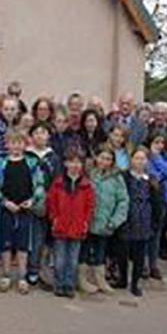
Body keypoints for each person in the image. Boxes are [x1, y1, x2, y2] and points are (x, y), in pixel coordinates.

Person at [0, 130, 47, 294]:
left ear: (25, 144)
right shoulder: (0, 163)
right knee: (6, 244)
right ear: (7, 145)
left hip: (25, 209)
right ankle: (6, 275)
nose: (16, 146)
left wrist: (32, 201)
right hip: (6, 209)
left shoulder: (32, 163)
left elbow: (40, 185)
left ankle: (22, 277)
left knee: (23, 245)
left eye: (19, 143)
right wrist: (3, 202)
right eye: (13, 143)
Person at [46, 148, 95, 298]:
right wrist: (54, 218)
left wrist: (86, 222)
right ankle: (59, 284)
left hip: (78, 227)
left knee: (73, 260)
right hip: (60, 226)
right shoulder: (58, 183)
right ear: (66, 163)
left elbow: (90, 206)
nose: (75, 165)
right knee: (59, 259)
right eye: (72, 161)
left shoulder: (86, 185)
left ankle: (69, 284)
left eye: (78, 162)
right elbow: (51, 202)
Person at [79, 148, 129, 295]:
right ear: (96, 158)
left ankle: (100, 280)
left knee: (101, 252)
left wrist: (115, 221)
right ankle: (82, 279)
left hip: (105, 223)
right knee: (84, 251)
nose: (104, 162)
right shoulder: (88, 175)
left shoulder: (117, 178)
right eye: (102, 158)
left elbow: (123, 201)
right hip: (88, 221)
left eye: (108, 159)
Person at [117, 147, 161, 296]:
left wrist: (155, 222)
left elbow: (157, 203)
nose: (140, 162)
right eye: (137, 158)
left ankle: (135, 283)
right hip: (127, 218)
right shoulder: (124, 176)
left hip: (144, 220)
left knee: (139, 255)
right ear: (131, 160)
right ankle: (122, 278)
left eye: (143, 159)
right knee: (122, 252)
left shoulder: (151, 180)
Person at [24, 121, 60, 285]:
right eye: (36, 132)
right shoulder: (26, 156)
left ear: (48, 136)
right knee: (34, 238)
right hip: (29, 202)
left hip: (50, 202)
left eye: (43, 132)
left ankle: (46, 271)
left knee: (49, 239)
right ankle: (32, 269)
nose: (40, 135)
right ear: (31, 137)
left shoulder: (54, 157)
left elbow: (58, 181)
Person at [146, 133, 167, 279]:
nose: (159, 145)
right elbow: (151, 174)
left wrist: (157, 158)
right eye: (156, 142)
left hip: (164, 199)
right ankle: (144, 264)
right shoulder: (145, 157)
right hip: (149, 198)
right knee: (146, 231)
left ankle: (153, 264)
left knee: (157, 232)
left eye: (162, 142)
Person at [0, 95, 19, 170]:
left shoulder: (16, 128)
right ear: (1, 110)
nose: (9, 112)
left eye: (12, 109)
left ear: (17, 111)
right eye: (6, 109)